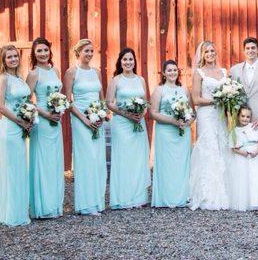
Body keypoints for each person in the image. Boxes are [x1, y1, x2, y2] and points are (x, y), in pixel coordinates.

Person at [64, 39, 107, 215]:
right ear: (78, 52)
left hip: (97, 119)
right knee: (86, 159)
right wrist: (84, 119)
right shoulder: (71, 72)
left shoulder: (96, 72)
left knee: (97, 159)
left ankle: (98, 202)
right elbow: (67, 101)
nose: (89, 54)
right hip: (81, 120)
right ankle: (85, 204)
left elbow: (101, 98)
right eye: (86, 51)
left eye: (91, 51)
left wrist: (101, 116)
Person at [106, 48, 151, 209]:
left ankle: (138, 197)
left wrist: (141, 114)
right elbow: (109, 103)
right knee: (124, 159)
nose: (128, 62)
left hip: (138, 123)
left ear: (134, 61)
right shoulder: (116, 80)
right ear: (120, 62)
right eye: (125, 59)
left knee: (138, 158)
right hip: (122, 125)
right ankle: (123, 198)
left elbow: (146, 102)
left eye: (131, 59)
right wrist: (127, 114)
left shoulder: (141, 79)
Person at [189, 41, 231, 210]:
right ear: (202, 55)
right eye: (207, 52)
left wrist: (228, 100)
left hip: (221, 116)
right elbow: (196, 99)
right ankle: (207, 193)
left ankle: (225, 191)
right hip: (206, 115)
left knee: (222, 146)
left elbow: (229, 91)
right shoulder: (199, 73)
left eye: (213, 50)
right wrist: (217, 100)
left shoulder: (223, 72)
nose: (211, 54)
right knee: (209, 148)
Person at [26, 37, 65, 219]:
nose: (43, 54)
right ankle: (43, 208)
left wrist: (59, 108)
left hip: (55, 122)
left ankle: (55, 205)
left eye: (45, 50)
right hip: (42, 123)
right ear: (34, 54)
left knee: (54, 162)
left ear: (50, 51)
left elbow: (60, 95)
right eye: (39, 51)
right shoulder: (34, 74)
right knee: (42, 162)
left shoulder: (55, 70)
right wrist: (46, 114)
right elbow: (27, 102)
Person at [0, 45, 31, 226]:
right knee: (12, 169)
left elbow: (25, 102)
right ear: (3, 60)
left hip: (21, 126)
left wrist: (29, 118)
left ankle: (20, 211)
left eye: (15, 56)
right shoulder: (3, 79)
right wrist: (20, 121)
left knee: (20, 168)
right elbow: (0, 106)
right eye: (9, 57)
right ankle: (12, 214)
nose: (13, 59)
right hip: (10, 128)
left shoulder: (19, 78)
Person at [150, 60, 193, 207]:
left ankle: (182, 197)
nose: (172, 72)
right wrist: (172, 121)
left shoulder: (184, 90)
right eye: (169, 70)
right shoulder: (159, 90)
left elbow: (192, 113)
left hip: (182, 133)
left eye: (175, 70)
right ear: (163, 73)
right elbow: (153, 113)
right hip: (165, 132)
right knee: (166, 164)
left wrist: (187, 122)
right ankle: (165, 198)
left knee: (181, 164)